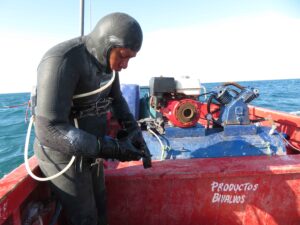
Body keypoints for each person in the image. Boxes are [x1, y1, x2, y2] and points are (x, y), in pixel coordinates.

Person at [33, 12, 151, 225]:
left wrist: (133, 131)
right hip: (62, 155)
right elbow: (48, 129)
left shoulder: (109, 66)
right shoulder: (62, 60)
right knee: (85, 219)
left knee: (102, 208)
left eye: (129, 58)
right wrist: (111, 149)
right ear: (107, 45)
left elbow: (117, 100)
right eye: (122, 56)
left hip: (91, 148)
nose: (125, 65)